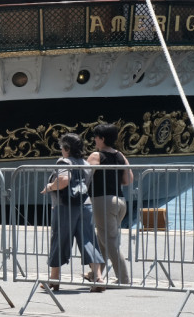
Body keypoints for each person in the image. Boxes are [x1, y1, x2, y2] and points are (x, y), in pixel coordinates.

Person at [41, 133, 104, 291]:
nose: (61, 150)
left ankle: (54, 278)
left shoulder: (64, 161)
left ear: (67, 148)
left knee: (59, 240)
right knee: (89, 240)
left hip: (65, 206)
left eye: (61, 147)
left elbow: (63, 180)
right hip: (85, 205)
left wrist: (49, 187)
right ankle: (98, 278)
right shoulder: (86, 164)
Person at [87, 123, 133, 285]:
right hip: (120, 201)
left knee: (110, 241)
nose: (94, 140)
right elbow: (128, 180)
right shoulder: (121, 156)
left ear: (102, 138)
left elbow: (84, 177)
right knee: (104, 240)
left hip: (102, 200)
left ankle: (124, 278)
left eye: (96, 137)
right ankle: (95, 274)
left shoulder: (96, 156)